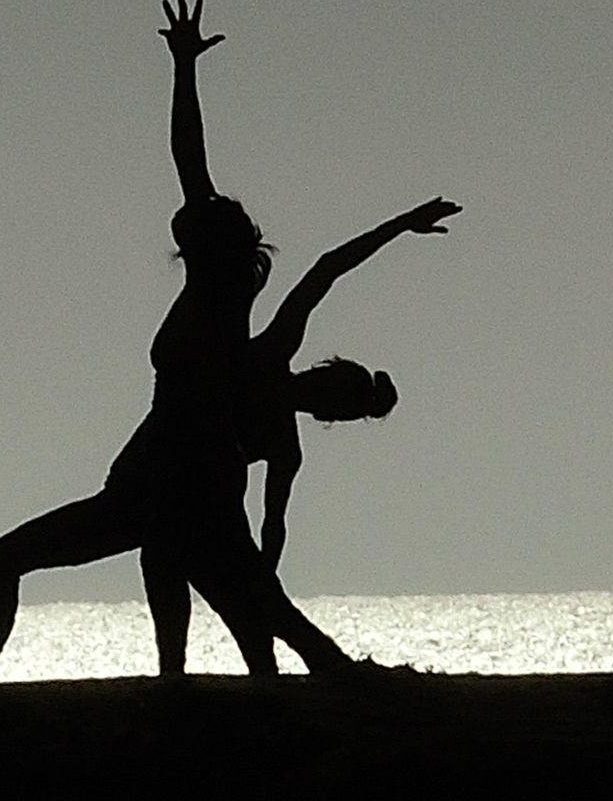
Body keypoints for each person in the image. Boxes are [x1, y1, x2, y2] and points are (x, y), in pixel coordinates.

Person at [0, 0, 349, 683]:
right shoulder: (212, 290)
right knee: (248, 604)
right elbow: (190, 167)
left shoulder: (222, 291)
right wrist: (182, 68)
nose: (187, 215)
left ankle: (1, 694)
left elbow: (191, 162)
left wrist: (184, 71)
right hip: (153, 481)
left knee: (238, 601)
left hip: (178, 479)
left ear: (216, 244)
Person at [137, 196, 460, 674]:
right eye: (330, 387)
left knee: (251, 613)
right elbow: (326, 270)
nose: (322, 397)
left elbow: (273, 521)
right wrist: (401, 225)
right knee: (166, 559)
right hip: (166, 469)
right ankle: (178, 675)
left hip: (206, 504)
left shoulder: (285, 445)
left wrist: (265, 571)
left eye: (335, 404)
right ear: (320, 370)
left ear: (329, 414)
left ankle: (291, 673)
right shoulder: (273, 350)